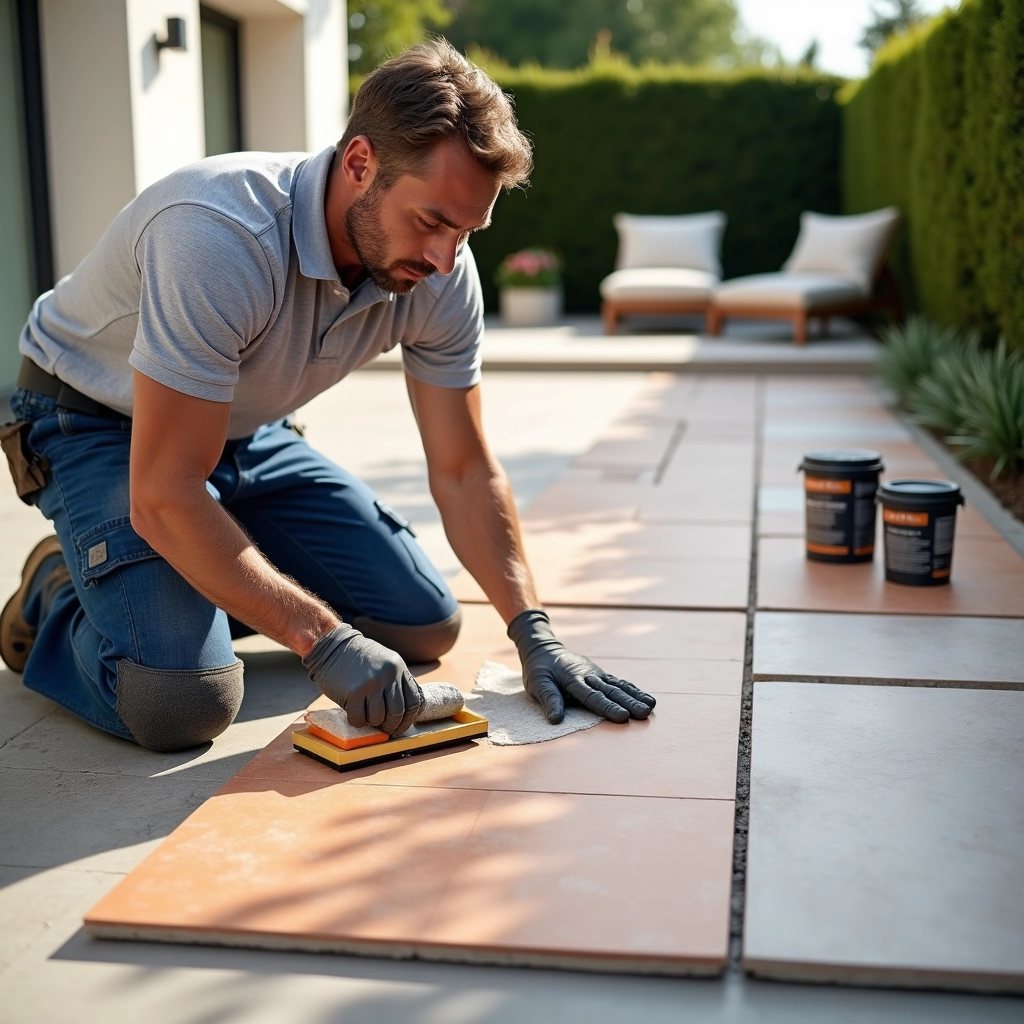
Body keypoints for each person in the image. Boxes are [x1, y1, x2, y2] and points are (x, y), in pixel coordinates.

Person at [0, 40, 654, 753]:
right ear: (359, 164)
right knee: (180, 698)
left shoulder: (441, 272)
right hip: (94, 422)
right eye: (432, 221)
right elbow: (162, 489)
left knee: (423, 622)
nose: (443, 261)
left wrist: (535, 631)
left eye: (466, 232)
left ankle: (173, 577)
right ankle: (60, 590)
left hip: (241, 429)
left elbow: (464, 470)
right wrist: (322, 638)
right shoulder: (217, 235)